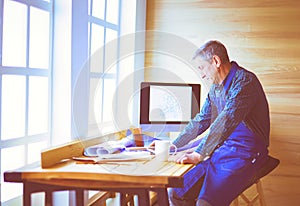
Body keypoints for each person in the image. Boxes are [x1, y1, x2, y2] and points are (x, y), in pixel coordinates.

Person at [168, 40, 270, 206]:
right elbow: (202, 120)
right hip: (222, 149)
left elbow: (227, 119)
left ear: (215, 61)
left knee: (205, 203)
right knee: (176, 192)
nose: (202, 75)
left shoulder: (245, 82)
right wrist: (173, 145)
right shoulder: (215, 89)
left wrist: (198, 154)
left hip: (246, 153)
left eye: (201, 68)